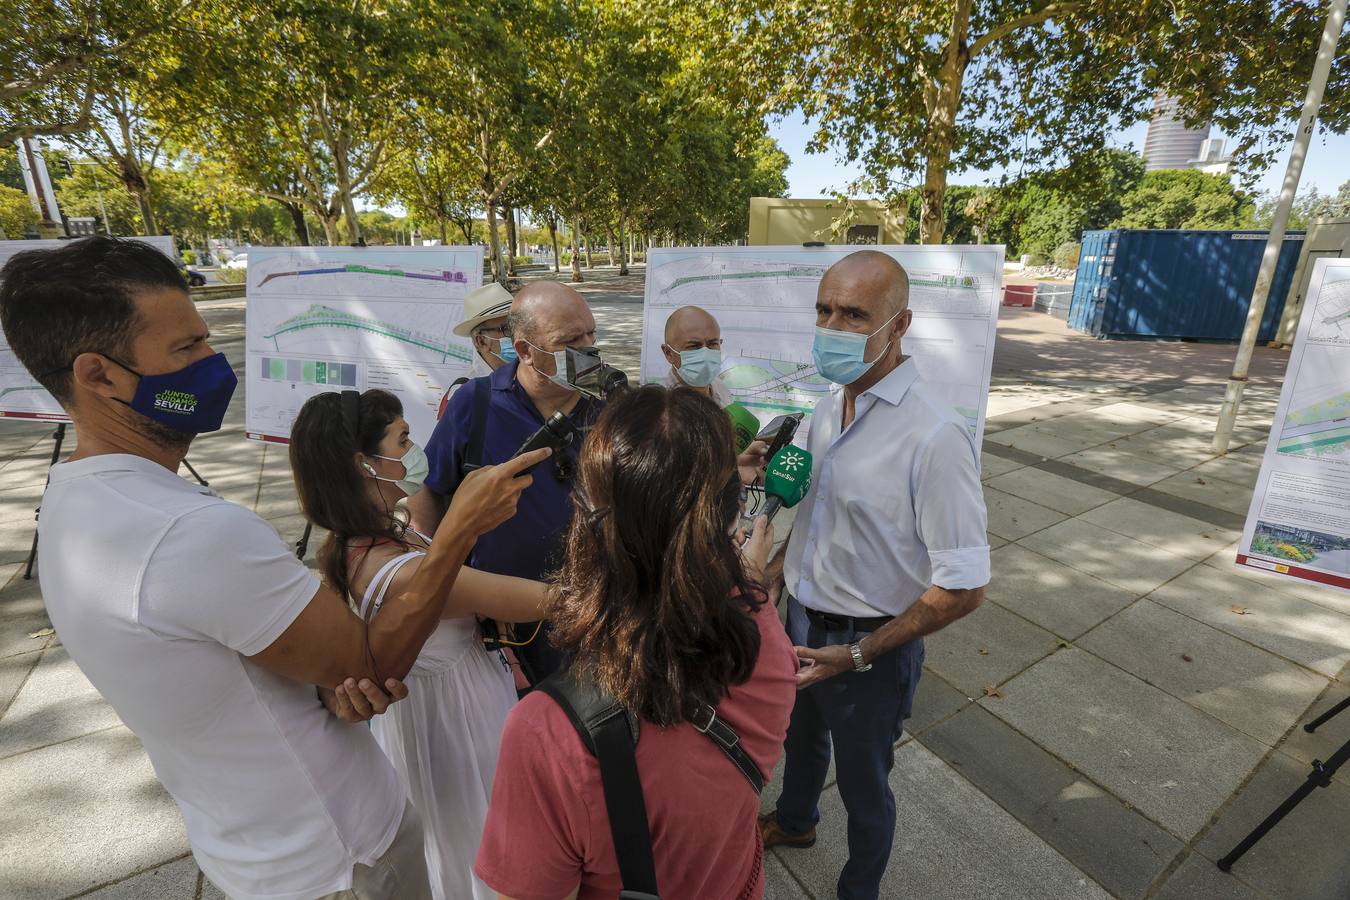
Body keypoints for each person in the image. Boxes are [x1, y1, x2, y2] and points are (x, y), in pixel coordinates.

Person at [0, 236, 548, 900]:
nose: (214, 363)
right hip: (339, 860)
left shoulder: (75, 501)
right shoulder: (190, 533)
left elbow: (288, 665)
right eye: (186, 350)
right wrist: (460, 527)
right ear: (99, 375)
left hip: (256, 850)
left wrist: (327, 677)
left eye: (204, 338)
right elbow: (370, 669)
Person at [474, 386, 798, 899]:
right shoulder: (763, 637)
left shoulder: (546, 733)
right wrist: (744, 581)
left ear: (586, 514)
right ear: (729, 514)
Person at [759, 250, 990, 900]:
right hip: (800, 622)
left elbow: (965, 587)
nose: (832, 326)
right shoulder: (831, 403)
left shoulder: (935, 437)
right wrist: (779, 570)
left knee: (865, 788)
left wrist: (857, 654)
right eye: (824, 310)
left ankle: (858, 890)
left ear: (900, 324)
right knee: (800, 741)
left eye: (854, 314)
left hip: (871, 650)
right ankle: (797, 821)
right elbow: (820, 511)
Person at [289, 388, 549, 900]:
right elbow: (541, 601)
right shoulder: (402, 572)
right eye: (403, 439)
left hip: (458, 711)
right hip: (457, 728)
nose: (416, 450)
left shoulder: (373, 536)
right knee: (483, 851)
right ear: (366, 464)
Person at [409, 281, 604, 683]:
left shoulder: (612, 406)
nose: (588, 349)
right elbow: (428, 490)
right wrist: (441, 580)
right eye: (570, 340)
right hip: (502, 629)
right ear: (525, 351)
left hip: (596, 614)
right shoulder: (474, 403)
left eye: (591, 334)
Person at [437, 282, 515, 419]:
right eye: (508, 329)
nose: (519, 335)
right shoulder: (463, 393)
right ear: (482, 341)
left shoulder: (530, 375)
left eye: (520, 326)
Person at [660, 304, 733, 407]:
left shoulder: (720, 388)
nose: (705, 354)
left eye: (712, 344)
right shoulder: (660, 406)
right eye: (694, 346)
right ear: (668, 353)